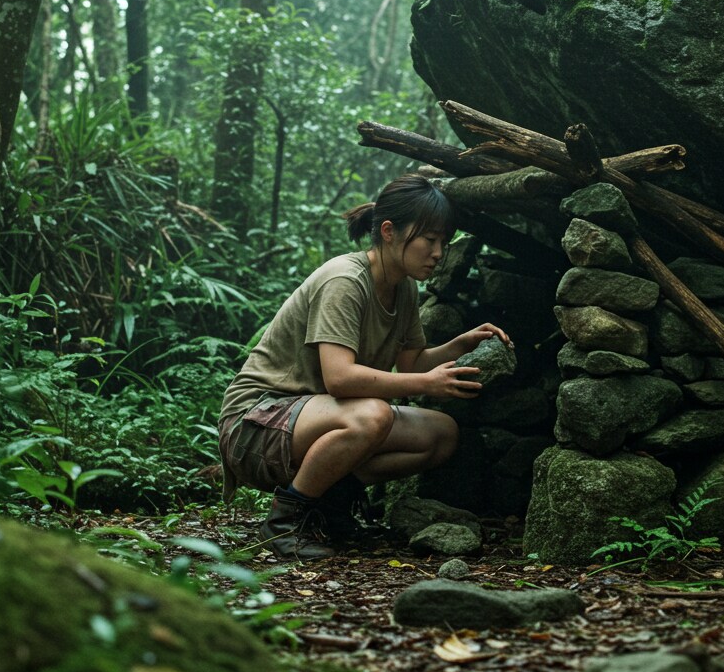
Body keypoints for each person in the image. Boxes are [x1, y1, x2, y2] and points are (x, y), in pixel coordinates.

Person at [217, 173, 511, 560]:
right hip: (255, 423)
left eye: (444, 241)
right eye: (430, 239)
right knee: (372, 416)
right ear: (389, 231)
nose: (439, 252)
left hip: (312, 419)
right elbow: (339, 379)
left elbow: (411, 363)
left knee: (441, 433)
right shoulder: (344, 280)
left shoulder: (403, 286)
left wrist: (459, 345)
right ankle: (285, 521)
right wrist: (426, 381)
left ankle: (330, 504)